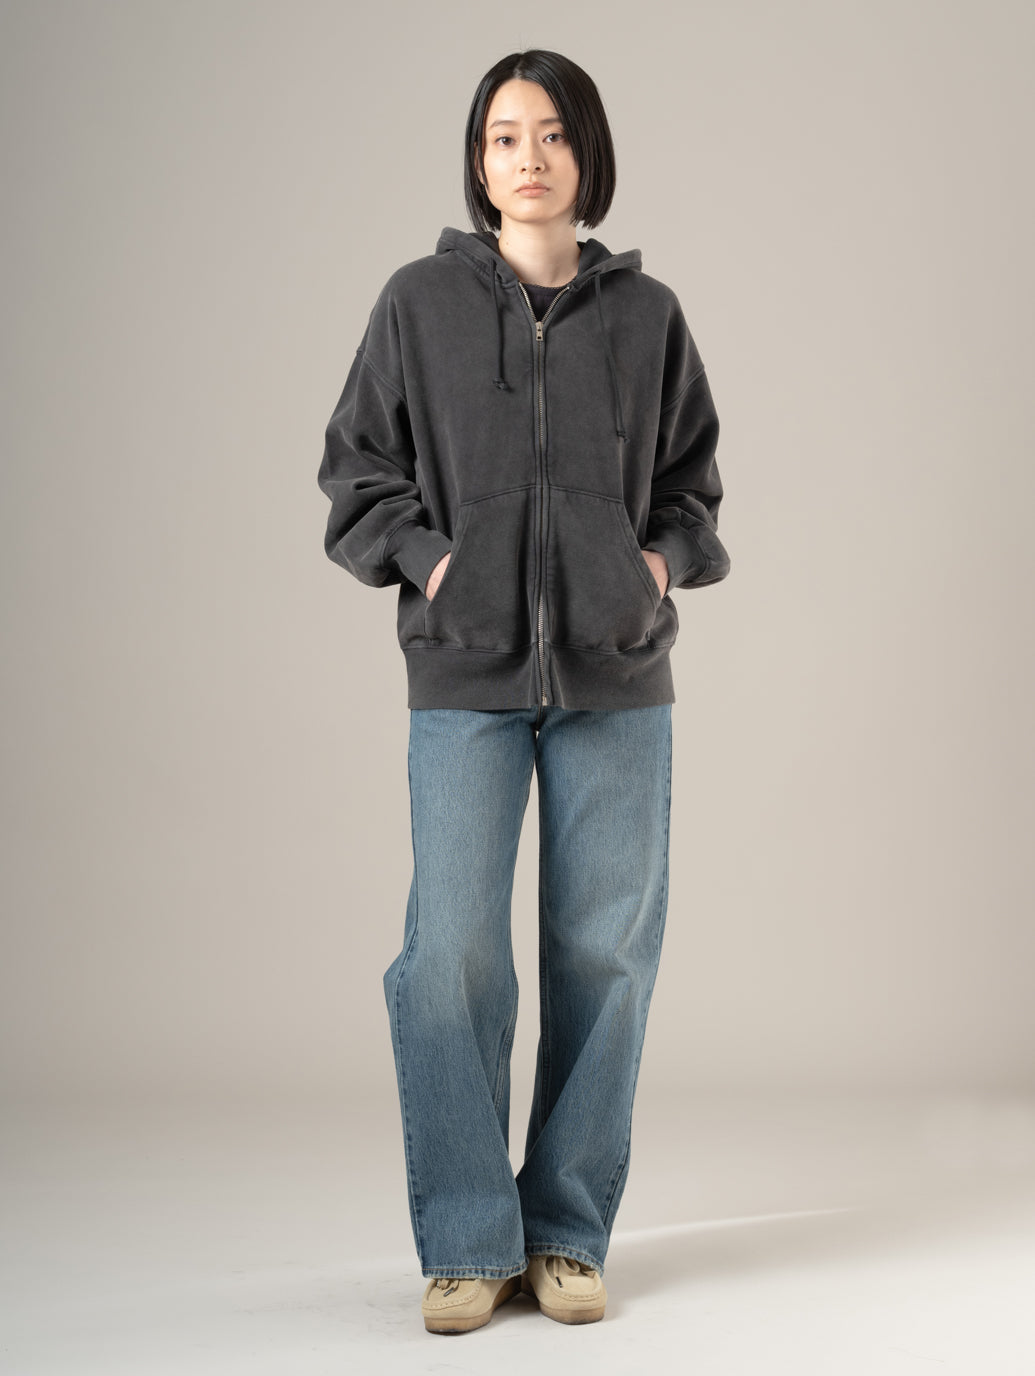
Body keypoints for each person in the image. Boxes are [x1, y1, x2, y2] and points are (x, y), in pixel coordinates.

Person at [317, 48, 730, 1335]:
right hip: (466, 670)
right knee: (449, 953)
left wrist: (652, 568)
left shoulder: (648, 316)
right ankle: (465, 1238)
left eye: (552, 134)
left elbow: (693, 489)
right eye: (505, 136)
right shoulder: (418, 304)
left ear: (586, 153)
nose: (530, 157)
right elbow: (357, 473)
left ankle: (563, 1230)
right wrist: (432, 560)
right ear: (479, 160)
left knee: (605, 955)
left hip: (618, 673)